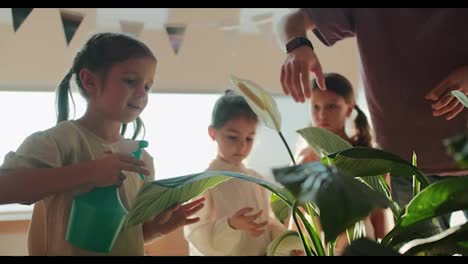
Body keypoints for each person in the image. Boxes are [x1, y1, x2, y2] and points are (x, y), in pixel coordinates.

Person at [0, 32, 205, 256]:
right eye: (130, 81)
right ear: (89, 81)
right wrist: (89, 172)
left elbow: (110, 238)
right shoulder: (58, 142)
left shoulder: (142, 160)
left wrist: (156, 229)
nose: (141, 94)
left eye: (147, 86)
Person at [277, 8, 468, 228]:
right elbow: (290, 19)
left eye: (331, 106)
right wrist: (296, 47)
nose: (322, 114)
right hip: (404, 166)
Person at [184, 90, 300, 256]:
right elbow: (197, 232)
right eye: (232, 137)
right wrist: (230, 225)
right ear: (212, 133)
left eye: (249, 138)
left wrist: (286, 244)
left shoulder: (256, 179)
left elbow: (268, 222)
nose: (242, 146)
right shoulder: (202, 182)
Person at [295, 73, 394, 255]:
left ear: (348, 109)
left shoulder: (367, 158)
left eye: (331, 106)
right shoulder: (304, 158)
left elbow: (379, 216)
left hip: (359, 245)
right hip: (317, 246)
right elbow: (298, 215)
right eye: (315, 107)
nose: (321, 114)